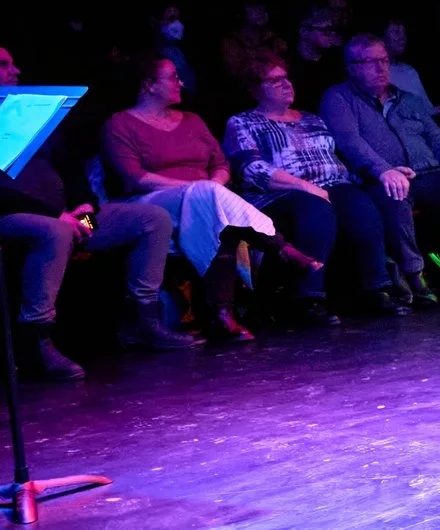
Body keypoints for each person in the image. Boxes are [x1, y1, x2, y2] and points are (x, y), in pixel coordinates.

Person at [0, 43, 196, 378]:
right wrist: (57, 216)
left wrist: (85, 209)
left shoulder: (29, 115)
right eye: (5, 64)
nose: (16, 71)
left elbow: (72, 170)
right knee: (56, 230)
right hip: (17, 218)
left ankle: (141, 321)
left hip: (70, 218)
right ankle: (36, 340)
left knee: (152, 219)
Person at [100, 55, 310, 342]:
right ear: (149, 85)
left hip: (204, 201)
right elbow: (135, 178)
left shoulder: (193, 121)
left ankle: (222, 316)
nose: (181, 83)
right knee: (208, 197)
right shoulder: (120, 124)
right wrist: (197, 189)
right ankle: (278, 246)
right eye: (173, 77)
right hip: (151, 201)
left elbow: (221, 164)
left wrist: (213, 188)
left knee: (213, 209)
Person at [319, 34, 440, 301]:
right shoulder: (338, 98)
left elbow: (437, 140)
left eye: (384, 60)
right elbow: (350, 142)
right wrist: (384, 169)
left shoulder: (408, 99)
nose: (380, 68)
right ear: (352, 67)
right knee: (395, 192)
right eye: (371, 62)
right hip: (384, 178)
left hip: (430, 174)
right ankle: (414, 274)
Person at [223, 52, 397, 322]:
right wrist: (306, 187)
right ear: (256, 89)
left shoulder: (311, 119)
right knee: (315, 208)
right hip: (277, 195)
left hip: (330, 187)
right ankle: (309, 296)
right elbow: (252, 169)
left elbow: (335, 163)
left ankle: (376, 288)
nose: (286, 84)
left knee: (360, 204)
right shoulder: (243, 122)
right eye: (275, 80)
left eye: (286, 78)